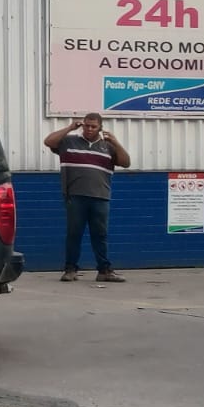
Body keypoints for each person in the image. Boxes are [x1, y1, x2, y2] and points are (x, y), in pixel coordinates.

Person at [43, 112, 130, 283]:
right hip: (75, 196)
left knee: (100, 235)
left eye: (93, 126)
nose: (89, 129)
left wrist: (116, 142)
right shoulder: (69, 142)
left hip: (100, 197)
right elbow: (48, 141)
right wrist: (69, 128)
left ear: (100, 128)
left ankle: (104, 271)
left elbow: (126, 162)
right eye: (86, 125)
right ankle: (70, 270)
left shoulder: (108, 147)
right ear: (82, 125)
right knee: (74, 234)